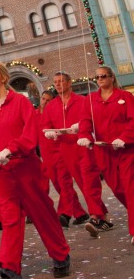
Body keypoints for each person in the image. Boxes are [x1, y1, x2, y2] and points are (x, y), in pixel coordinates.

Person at [0, 62, 71, 279]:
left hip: (25, 169)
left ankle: (61, 255)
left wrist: (10, 149)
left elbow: (30, 134)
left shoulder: (20, 102)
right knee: (10, 220)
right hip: (1, 174)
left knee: (43, 213)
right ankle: (10, 271)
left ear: (2, 76)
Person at [77, 65, 134, 241]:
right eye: (97, 77)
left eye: (103, 76)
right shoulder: (90, 100)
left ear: (111, 77)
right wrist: (84, 136)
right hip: (104, 151)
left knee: (130, 187)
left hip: (126, 150)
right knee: (118, 189)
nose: (100, 79)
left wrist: (125, 137)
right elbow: (85, 122)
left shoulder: (125, 97)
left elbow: (133, 120)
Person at [39, 77, 89, 226]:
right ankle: (77, 212)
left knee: (80, 182)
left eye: (48, 100)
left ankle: (68, 214)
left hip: (67, 148)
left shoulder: (77, 102)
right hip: (50, 155)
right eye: (43, 99)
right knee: (61, 184)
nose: (45, 102)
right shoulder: (39, 113)